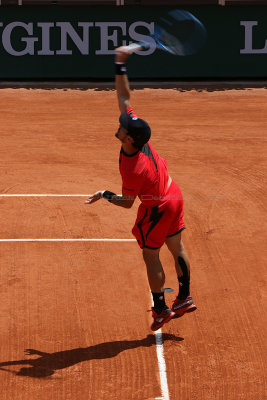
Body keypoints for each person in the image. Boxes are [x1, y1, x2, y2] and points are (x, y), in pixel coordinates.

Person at [85, 44, 196, 331]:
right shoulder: (137, 137)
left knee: (151, 254)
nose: (119, 124)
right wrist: (120, 63)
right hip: (174, 194)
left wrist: (103, 194)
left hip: (156, 207)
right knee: (177, 245)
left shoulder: (132, 168)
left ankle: (160, 308)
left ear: (130, 140)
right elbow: (124, 96)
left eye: (123, 127)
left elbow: (127, 203)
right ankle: (183, 297)